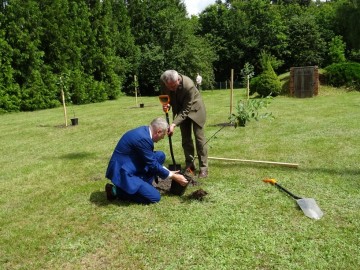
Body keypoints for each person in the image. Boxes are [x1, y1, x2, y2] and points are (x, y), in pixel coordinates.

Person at [105, 117, 188, 204]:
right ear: (158, 131)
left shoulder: (145, 131)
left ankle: (144, 184)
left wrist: (168, 172)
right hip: (123, 171)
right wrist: (173, 176)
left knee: (160, 155)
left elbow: (150, 160)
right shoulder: (143, 139)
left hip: (131, 163)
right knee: (155, 197)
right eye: (163, 135)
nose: (163, 138)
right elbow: (152, 164)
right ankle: (116, 191)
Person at [160, 70, 208, 178]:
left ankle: (204, 168)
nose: (171, 89)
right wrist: (166, 105)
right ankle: (190, 166)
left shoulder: (189, 85)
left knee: (199, 139)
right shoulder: (164, 82)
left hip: (195, 110)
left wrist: (173, 124)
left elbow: (186, 110)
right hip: (180, 110)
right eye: (169, 87)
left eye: (173, 86)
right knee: (186, 140)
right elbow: (165, 96)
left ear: (178, 80)